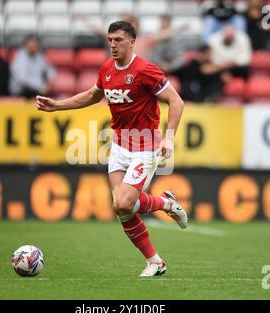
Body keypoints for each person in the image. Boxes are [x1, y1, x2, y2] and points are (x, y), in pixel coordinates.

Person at [36, 21, 187, 277]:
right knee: (120, 207)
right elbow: (93, 96)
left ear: (131, 41)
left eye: (118, 40)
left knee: (126, 201)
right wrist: (57, 105)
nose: (113, 45)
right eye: (109, 40)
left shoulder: (145, 70)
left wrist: (169, 138)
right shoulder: (107, 69)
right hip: (119, 145)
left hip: (145, 146)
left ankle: (166, 204)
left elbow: (176, 100)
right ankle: (155, 261)